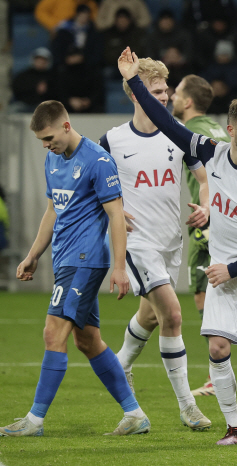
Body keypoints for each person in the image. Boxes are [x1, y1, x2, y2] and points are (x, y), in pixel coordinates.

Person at [118, 46, 237, 446]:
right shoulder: (210, 152)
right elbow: (166, 123)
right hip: (221, 271)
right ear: (231, 128)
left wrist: (232, 269)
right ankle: (234, 428)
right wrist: (134, 79)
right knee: (218, 348)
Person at [0, 100, 150, 436]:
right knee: (89, 341)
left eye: (49, 137)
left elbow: (116, 215)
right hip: (64, 260)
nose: (45, 144)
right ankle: (135, 414)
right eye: (41, 140)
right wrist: (33, 254)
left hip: (85, 261)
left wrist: (120, 267)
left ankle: (34, 420)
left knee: (53, 333)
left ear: (66, 126)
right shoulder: (52, 159)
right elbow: (53, 210)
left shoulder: (98, 161)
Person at [99, 58, 212, 431]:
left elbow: (203, 175)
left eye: (166, 91)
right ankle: (187, 407)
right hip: (138, 243)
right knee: (173, 315)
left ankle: (120, 365)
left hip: (170, 241)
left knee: (151, 315)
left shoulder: (177, 133)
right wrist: (111, 215)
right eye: (156, 91)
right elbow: (93, 190)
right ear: (135, 93)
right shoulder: (113, 140)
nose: (164, 97)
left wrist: (207, 206)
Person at [170, 74, 232, 396]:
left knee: (204, 297)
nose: (172, 96)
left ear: (188, 101)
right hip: (228, 222)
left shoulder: (189, 132)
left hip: (207, 224)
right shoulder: (218, 129)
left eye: (177, 92)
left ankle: (217, 374)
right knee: (217, 295)